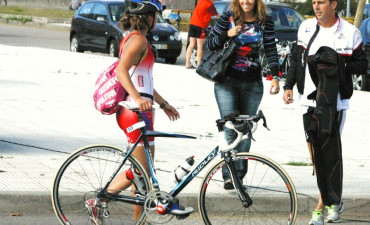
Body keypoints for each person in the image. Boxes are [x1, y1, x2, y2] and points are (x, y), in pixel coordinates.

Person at [84, 0, 184, 224]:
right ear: (148, 17)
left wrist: (163, 103)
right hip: (134, 112)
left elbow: (144, 79)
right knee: (141, 173)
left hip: (143, 111)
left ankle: (140, 221)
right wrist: (137, 98)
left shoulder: (136, 38)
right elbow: (121, 71)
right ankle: (98, 201)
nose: (158, 19)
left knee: (143, 175)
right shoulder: (138, 39)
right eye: (156, 15)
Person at [282, 0, 367, 224]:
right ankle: (333, 199)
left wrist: (338, 65)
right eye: (314, 2)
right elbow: (295, 59)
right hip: (307, 100)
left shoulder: (350, 33)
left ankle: (323, 207)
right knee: (315, 155)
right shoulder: (306, 28)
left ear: (333, 4)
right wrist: (288, 85)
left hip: (333, 102)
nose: (316, 7)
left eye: (321, 2)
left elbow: (362, 65)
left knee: (328, 153)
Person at [207, 0, 280, 190]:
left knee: (245, 131)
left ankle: (238, 176)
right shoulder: (229, 16)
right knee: (231, 127)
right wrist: (227, 34)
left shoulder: (265, 20)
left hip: (253, 83)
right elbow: (211, 43)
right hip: (226, 81)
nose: (246, 1)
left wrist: (275, 76)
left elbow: (271, 48)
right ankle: (229, 177)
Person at [185, 0, 218, 68]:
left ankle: (187, 63)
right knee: (200, 46)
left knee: (191, 44)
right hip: (200, 26)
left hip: (192, 24)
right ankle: (199, 64)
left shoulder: (201, 1)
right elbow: (217, 15)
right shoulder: (209, 4)